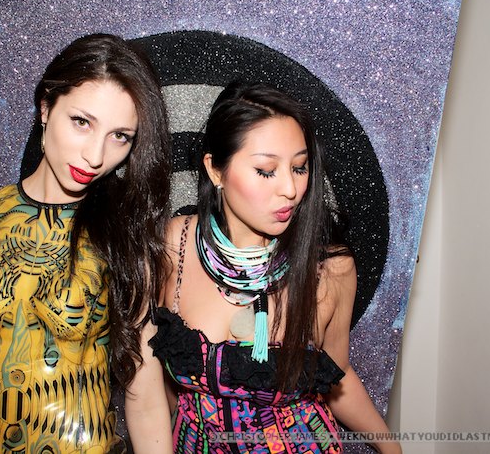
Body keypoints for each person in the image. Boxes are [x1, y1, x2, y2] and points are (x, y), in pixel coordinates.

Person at [126, 82, 401, 453]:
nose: (290, 188)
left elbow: (338, 373)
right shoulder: (172, 247)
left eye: (299, 167)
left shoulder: (330, 269)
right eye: (266, 170)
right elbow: (151, 389)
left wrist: (391, 446)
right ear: (215, 171)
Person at [0, 33, 172, 453]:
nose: (95, 156)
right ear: (46, 108)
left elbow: (145, 395)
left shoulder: (125, 233)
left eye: (120, 136)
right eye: (82, 122)